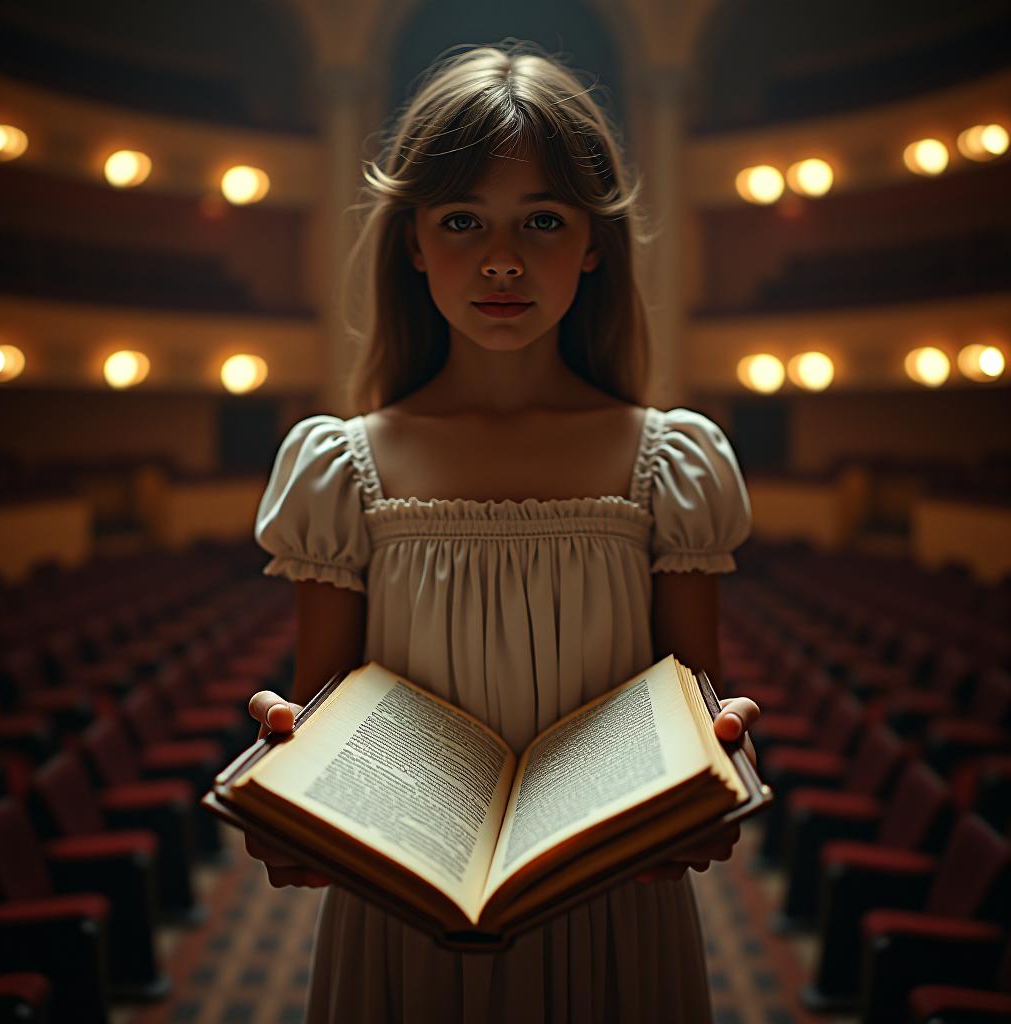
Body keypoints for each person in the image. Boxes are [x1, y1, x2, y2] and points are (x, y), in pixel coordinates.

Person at [245, 40, 760, 1024]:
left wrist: (718, 765)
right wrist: (291, 778)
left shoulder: (670, 461)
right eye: (461, 220)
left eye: (542, 219)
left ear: (595, 241)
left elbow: (693, 702)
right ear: (410, 241)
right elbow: (326, 708)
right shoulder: (342, 465)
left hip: (615, 905)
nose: (501, 259)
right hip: (403, 912)